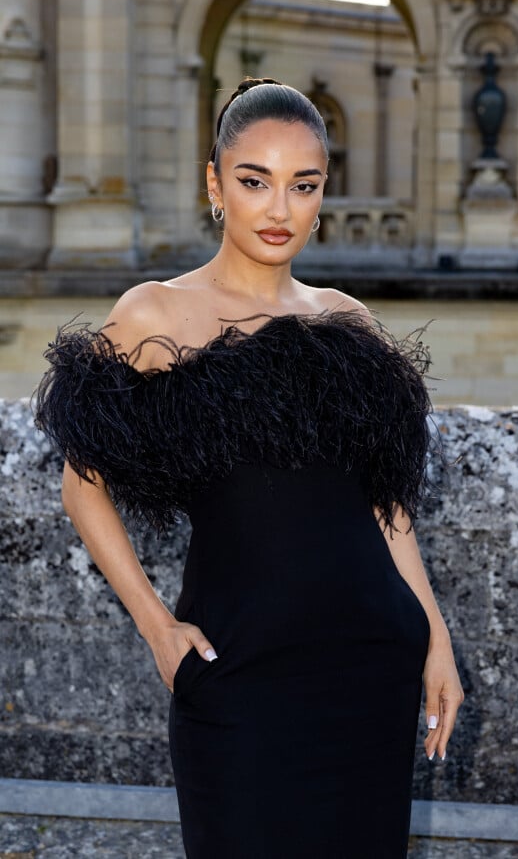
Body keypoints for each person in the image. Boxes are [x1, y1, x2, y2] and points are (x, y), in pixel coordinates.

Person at [34, 77, 464, 858]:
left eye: (304, 186)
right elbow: (81, 483)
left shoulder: (346, 322)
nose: (279, 209)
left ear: (322, 193)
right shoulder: (155, 315)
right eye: (254, 181)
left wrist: (434, 638)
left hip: (370, 661)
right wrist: (157, 626)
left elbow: (386, 506)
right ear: (214, 183)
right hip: (240, 672)